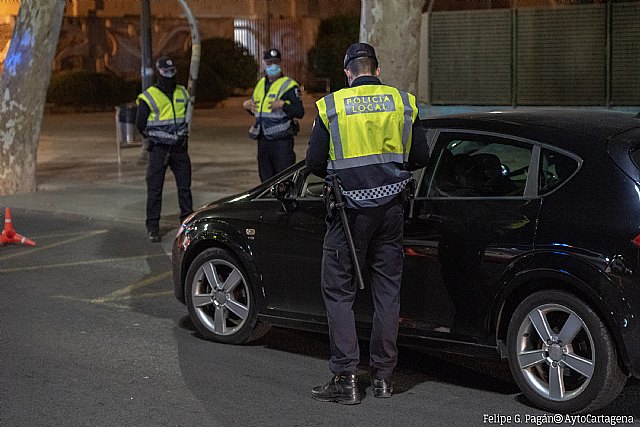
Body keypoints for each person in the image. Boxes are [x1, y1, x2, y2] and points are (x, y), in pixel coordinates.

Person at [306, 43, 429, 404]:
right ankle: (383, 379)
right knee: (387, 293)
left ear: (348, 72)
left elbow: (314, 161)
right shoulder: (403, 102)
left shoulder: (332, 107)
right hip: (391, 210)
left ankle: (346, 380)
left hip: (348, 215)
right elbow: (421, 155)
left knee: (338, 292)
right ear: (376, 70)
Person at [136, 56, 193, 243]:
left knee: (184, 190)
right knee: (155, 190)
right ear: (158, 72)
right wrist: (153, 139)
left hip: (179, 149)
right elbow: (140, 124)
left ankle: (187, 226)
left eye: (172, 71)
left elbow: (187, 115)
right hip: (159, 149)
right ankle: (153, 227)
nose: (170, 75)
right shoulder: (149, 96)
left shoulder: (182, 92)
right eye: (166, 72)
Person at [243, 48, 304, 182]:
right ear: (264, 63)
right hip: (263, 140)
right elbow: (257, 108)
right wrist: (247, 106)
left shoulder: (290, 85)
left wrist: (283, 105)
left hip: (281, 141)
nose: (272, 65)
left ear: (280, 63)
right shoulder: (260, 84)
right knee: (265, 181)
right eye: (269, 62)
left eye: (275, 62)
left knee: (284, 180)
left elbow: (299, 112)